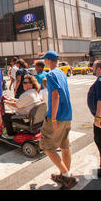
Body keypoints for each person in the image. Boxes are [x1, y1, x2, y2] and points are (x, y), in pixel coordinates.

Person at [39, 50, 78, 190]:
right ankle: (65, 174)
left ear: (49, 60)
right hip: (67, 114)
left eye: (45, 60)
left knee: (46, 146)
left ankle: (67, 176)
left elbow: (55, 96)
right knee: (64, 145)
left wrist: (53, 118)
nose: (44, 62)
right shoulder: (61, 72)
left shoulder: (50, 74)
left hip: (57, 115)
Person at [2, 74, 42, 139]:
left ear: (31, 84)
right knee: (9, 115)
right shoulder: (34, 92)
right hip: (33, 118)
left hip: (25, 118)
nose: (23, 84)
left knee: (5, 116)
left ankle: (10, 134)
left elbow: (17, 105)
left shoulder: (26, 94)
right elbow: (27, 102)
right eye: (23, 82)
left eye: (25, 83)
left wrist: (6, 102)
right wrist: (14, 99)